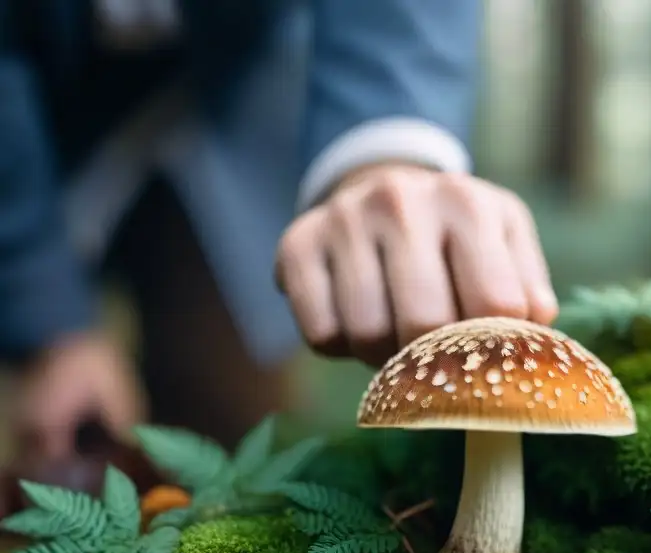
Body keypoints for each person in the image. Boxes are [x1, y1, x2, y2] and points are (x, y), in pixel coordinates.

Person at [0, 0, 559, 455]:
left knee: (237, 417)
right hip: (33, 128)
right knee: (54, 435)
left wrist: (386, 153)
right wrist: (50, 327)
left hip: (238, 109)